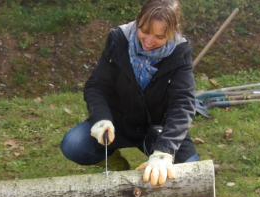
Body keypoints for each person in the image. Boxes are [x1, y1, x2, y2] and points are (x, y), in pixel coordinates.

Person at [60, 0, 199, 186]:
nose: (149, 42)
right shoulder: (118, 40)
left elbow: (183, 103)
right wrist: (101, 119)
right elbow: (96, 85)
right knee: (73, 144)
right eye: (144, 31)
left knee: (192, 179)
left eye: (159, 36)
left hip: (159, 129)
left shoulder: (180, 52)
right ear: (137, 21)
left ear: (172, 32)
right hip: (118, 123)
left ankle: (156, 158)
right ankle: (117, 165)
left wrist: (164, 151)